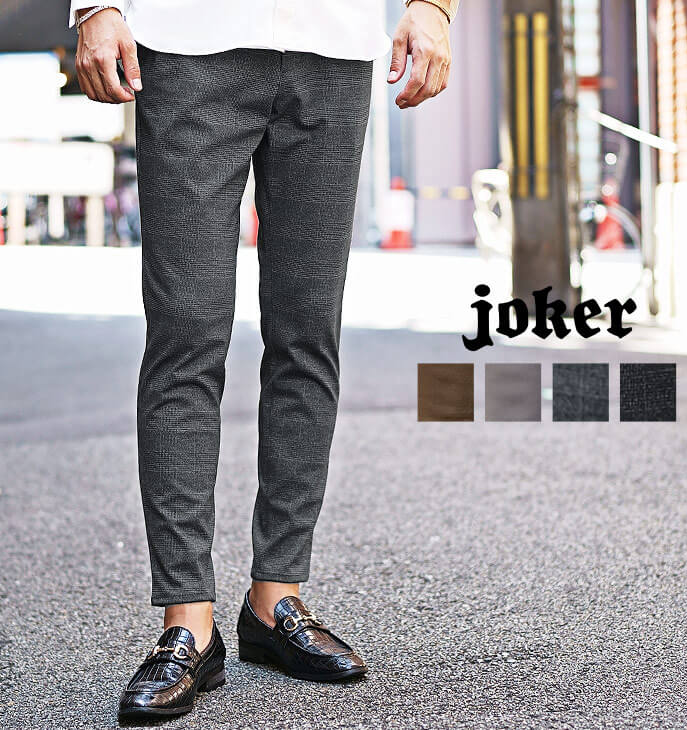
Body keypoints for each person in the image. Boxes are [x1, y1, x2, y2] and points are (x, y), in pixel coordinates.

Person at [70, 0, 458, 720]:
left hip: (333, 51)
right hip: (189, 43)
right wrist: (96, 5)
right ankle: (189, 624)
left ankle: (275, 600)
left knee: (306, 336)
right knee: (186, 337)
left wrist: (433, 8)